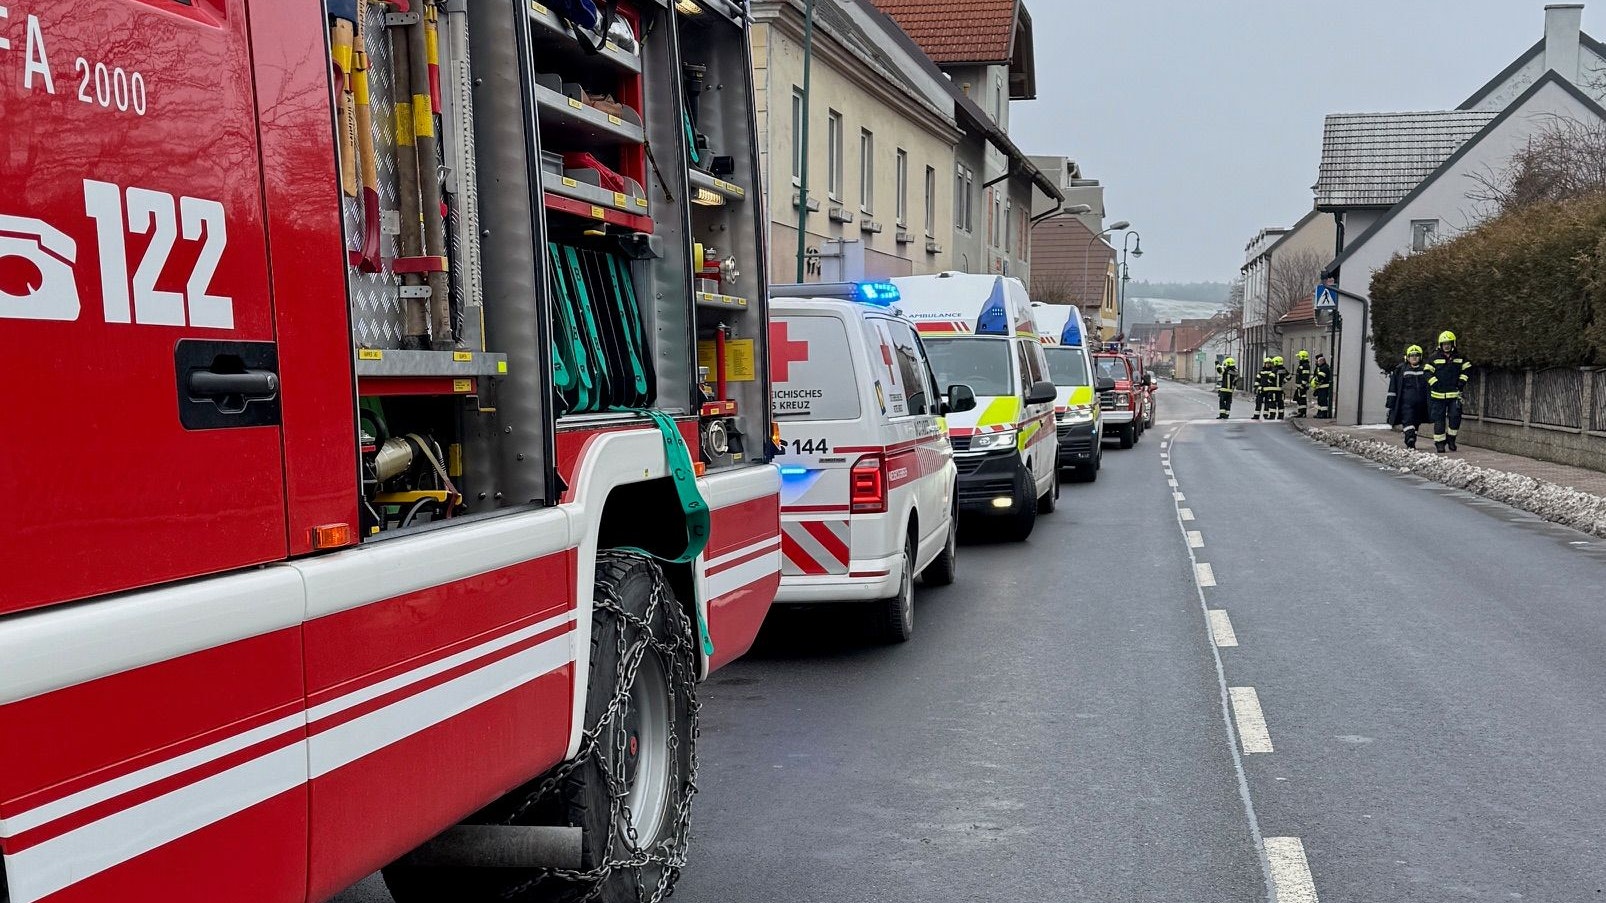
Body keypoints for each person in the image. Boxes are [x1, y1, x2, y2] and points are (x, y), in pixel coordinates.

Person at [1425, 330, 1470, 453]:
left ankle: (1451, 439)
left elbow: (1467, 369)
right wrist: (1434, 382)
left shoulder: (1459, 358)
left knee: (1455, 417)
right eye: (1444, 343)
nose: (1446, 346)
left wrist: (1462, 381)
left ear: (1453, 344)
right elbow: (1427, 372)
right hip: (1438, 395)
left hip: (1454, 394)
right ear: (1440, 344)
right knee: (1439, 419)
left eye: (1449, 343)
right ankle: (1439, 443)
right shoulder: (1434, 358)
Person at [1386, 344, 1431, 449]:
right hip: (1406, 403)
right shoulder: (1400, 370)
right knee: (1408, 420)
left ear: (1421, 357)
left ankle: (1412, 438)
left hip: (1421, 404)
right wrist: (1390, 403)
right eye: (1411, 355)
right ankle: (1409, 438)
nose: (1414, 357)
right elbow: (1393, 388)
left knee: (1416, 422)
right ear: (1407, 357)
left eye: (1416, 355)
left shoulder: (1425, 369)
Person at [1311, 353, 1332, 417]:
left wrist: (1315, 381)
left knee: (1323, 401)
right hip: (1321, 387)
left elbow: (1320, 377)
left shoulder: (1323, 368)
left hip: (1323, 387)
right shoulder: (1323, 367)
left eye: (1318, 361)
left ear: (1322, 361)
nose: (1317, 363)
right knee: (1320, 401)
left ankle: (1323, 414)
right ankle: (1320, 413)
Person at [1293, 350, 1313, 417]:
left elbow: (1305, 376)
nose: (1299, 358)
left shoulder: (1305, 365)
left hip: (1302, 386)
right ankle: (1300, 412)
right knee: (1299, 399)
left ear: (1302, 357)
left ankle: (1302, 413)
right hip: (1300, 386)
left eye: (1299, 357)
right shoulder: (1303, 365)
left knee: (1302, 399)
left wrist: (1302, 385)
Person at [1271, 355, 1289, 420]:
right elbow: (1289, 376)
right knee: (1280, 403)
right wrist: (1284, 381)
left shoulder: (1274, 370)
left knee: (1273, 403)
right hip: (1280, 389)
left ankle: (1272, 416)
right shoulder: (1283, 369)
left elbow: (1270, 378)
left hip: (1274, 389)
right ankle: (1281, 416)